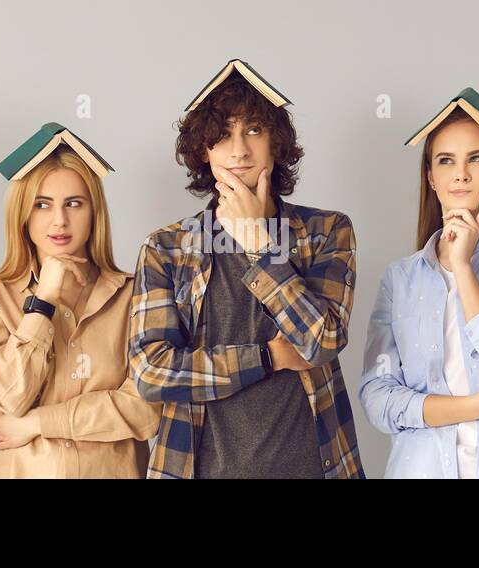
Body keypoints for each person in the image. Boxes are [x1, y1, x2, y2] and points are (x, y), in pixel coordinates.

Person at [129, 59, 363, 478]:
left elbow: (322, 341)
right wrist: (267, 358)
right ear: (204, 149)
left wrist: (259, 244)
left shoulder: (326, 231)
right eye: (223, 135)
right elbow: (152, 373)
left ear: (276, 143)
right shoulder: (167, 248)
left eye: (253, 129)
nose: (239, 150)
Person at [360, 88, 479, 478]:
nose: (460, 174)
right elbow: (378, 400)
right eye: (446, 161)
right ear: (431, 177)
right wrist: (477, 406)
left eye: (476, 159)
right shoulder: (400, 279)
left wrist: (462, 268)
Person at [0, 124, 160, 478]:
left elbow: (146, 410)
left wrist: (40, 422)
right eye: (42, 205)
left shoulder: (137, 295)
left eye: (74, 203)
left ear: (94, 212)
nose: (59, 220)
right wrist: (42, 302)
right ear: (23, 214)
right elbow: (10, 396)